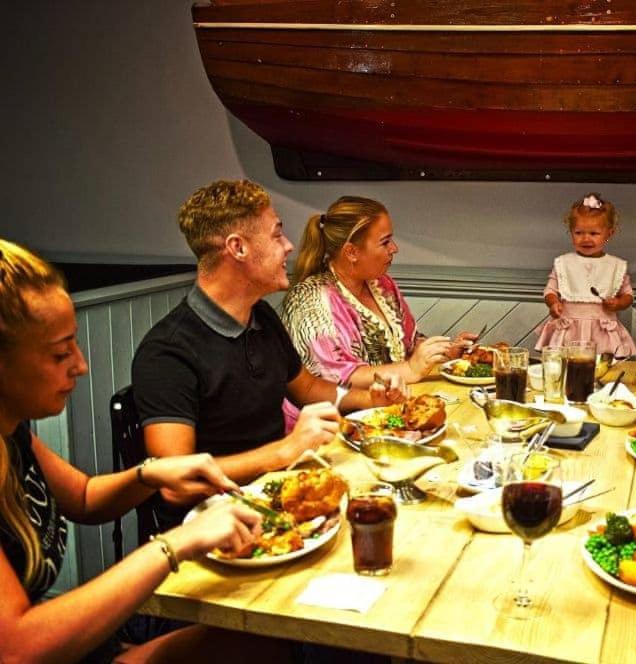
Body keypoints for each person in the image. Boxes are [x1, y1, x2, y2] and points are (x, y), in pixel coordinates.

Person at [0, 238, 294, 663]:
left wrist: (151, 473)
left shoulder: (13, 433)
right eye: (60, 352)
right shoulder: (172, 347)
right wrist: (177, 542)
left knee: (264, 638)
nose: (81, 365)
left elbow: (82, 497)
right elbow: (17, 648)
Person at [132, 181, 405, 530]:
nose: (289, 246)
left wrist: (371, 400)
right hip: (213, 533)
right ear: (238, 248)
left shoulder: (261, 317)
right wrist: (284, 451)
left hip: (279, 504)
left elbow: (307, 390)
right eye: (277, 235)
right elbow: (174, 483)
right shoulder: (167, 353)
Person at [281, 195, 475, 388]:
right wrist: (410, 370)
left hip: (388, 407)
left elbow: (406, 346)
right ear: (351, 252)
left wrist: (445, 352)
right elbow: (334, 379)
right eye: (385, 242)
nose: (394, 248)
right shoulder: (312, 300)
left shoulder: (382, 285)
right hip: (335, 416)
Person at [535, 192, 636, 356]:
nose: (586, 239)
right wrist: (553, 303)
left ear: (609, 234)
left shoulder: (616, 265)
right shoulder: (563, 263)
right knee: (565, 370)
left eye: (594, 233)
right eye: (579, 233)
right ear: (571, 232)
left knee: (603, 371)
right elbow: (550, 290)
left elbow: (628, 295)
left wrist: (618, 303)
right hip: (568, 333)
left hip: (602, 335)